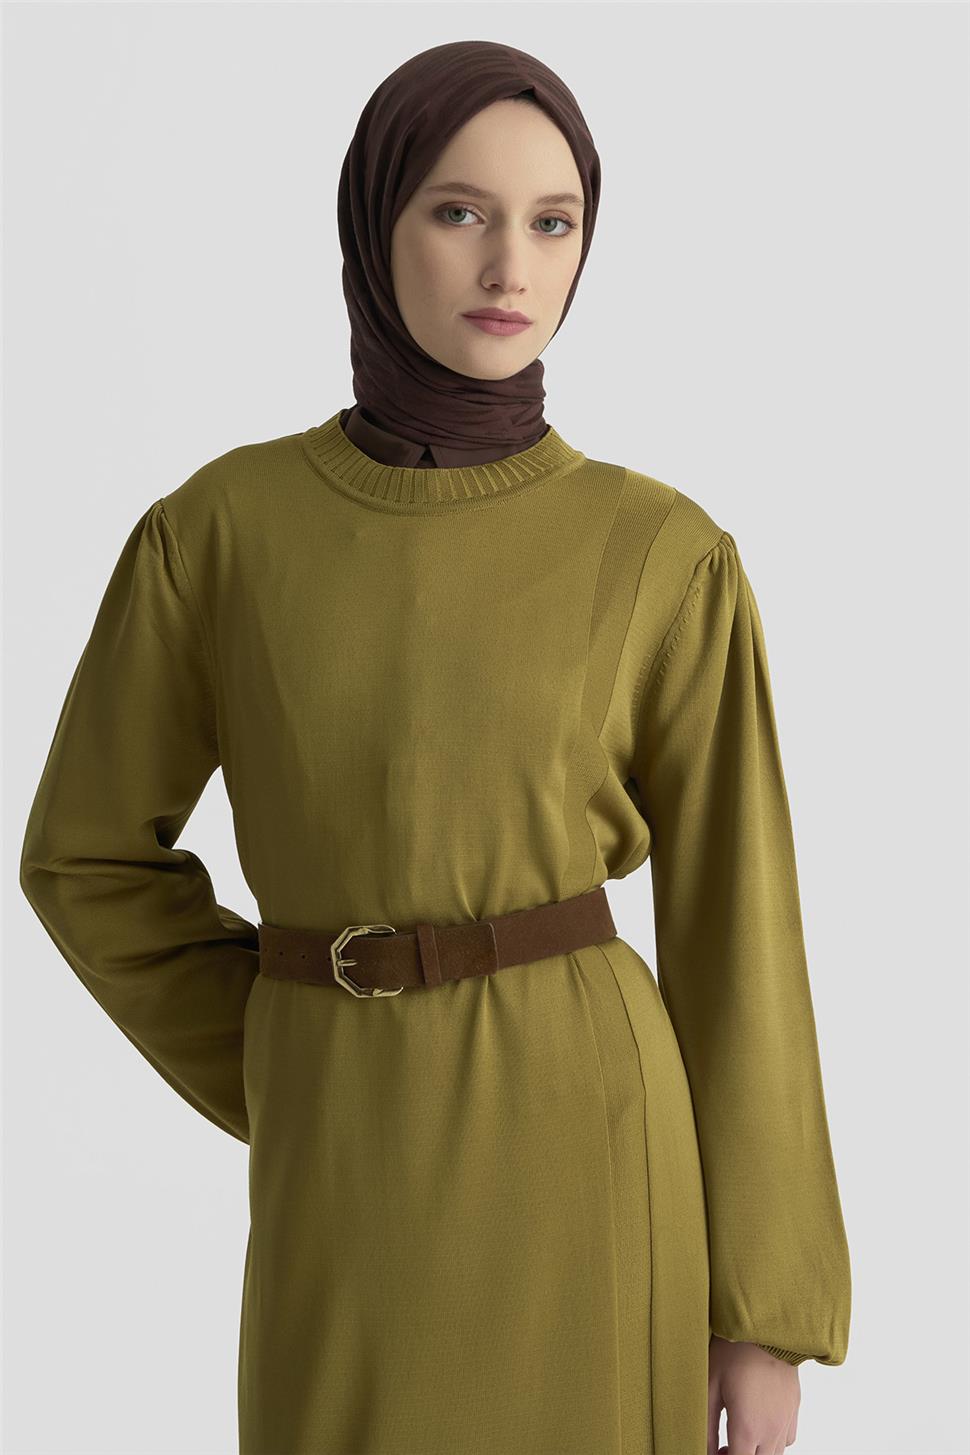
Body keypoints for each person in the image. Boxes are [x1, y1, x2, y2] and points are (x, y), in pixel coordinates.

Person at [19, 39, 851, 1455]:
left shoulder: (663, 551)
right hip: (344, 1168)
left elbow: (740, 931)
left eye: (553, 222)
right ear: (374, 222)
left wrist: (760, 1315)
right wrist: (289, 1053)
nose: (509, 268)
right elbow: (84, 858)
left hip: (595, 1148)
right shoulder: (218, 534)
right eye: (459, 211)